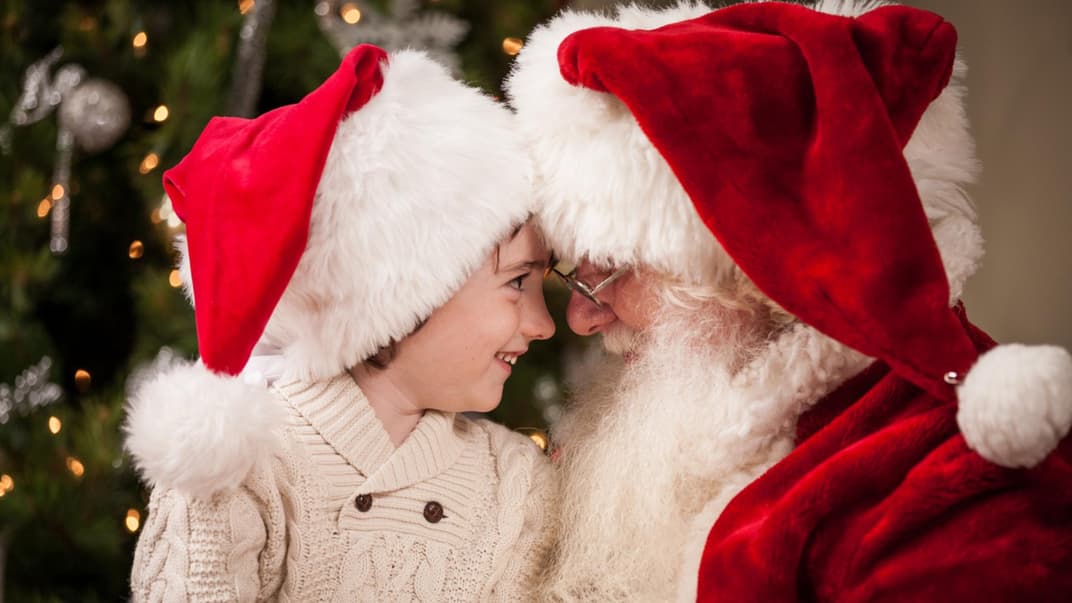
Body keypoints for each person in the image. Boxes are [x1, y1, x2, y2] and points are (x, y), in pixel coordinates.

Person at [506, 0, 1072, 600]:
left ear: (751, 269)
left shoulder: (961, 504)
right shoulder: (693, 431)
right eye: (576, 274)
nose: (580, 315)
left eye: (613, 270)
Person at [124, 44, 557, 601]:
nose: (544, 325)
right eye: (518, 282)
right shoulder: (240, 469)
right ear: (404, 286)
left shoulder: (515, 484)